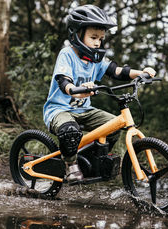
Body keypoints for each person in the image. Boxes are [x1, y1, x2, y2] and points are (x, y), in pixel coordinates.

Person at [43, 4, 156, 184]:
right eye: (93, 37)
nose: (98, 42)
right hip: (59, 110)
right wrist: (75, 90)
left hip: (84, 111)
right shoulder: (67, 54)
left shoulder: (95, 59)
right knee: (70, 132)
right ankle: (70, 165)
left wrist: (141, 72)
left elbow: (117, 71)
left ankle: (91, 160)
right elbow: (64, 81)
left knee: (113, 126)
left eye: (101, 38)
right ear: (78, 35)